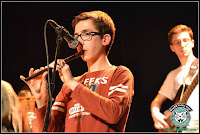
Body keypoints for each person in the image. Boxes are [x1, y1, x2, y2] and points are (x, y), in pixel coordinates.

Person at [20, 10, 134, 132]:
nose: (79, 42)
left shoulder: (120, 73)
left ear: (105, 39)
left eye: (86, 34)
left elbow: (113, 113)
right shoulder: (70, 83)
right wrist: (41, 100)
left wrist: (72, 84)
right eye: (76, 36)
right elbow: (52, 130)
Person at [150, 24, 199, 132]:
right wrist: (155, 113)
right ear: (172, 47)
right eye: (177, 42)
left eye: (186, 40)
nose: (182, 45)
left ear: (192, 43)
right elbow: (157, 101)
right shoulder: (173, 75)